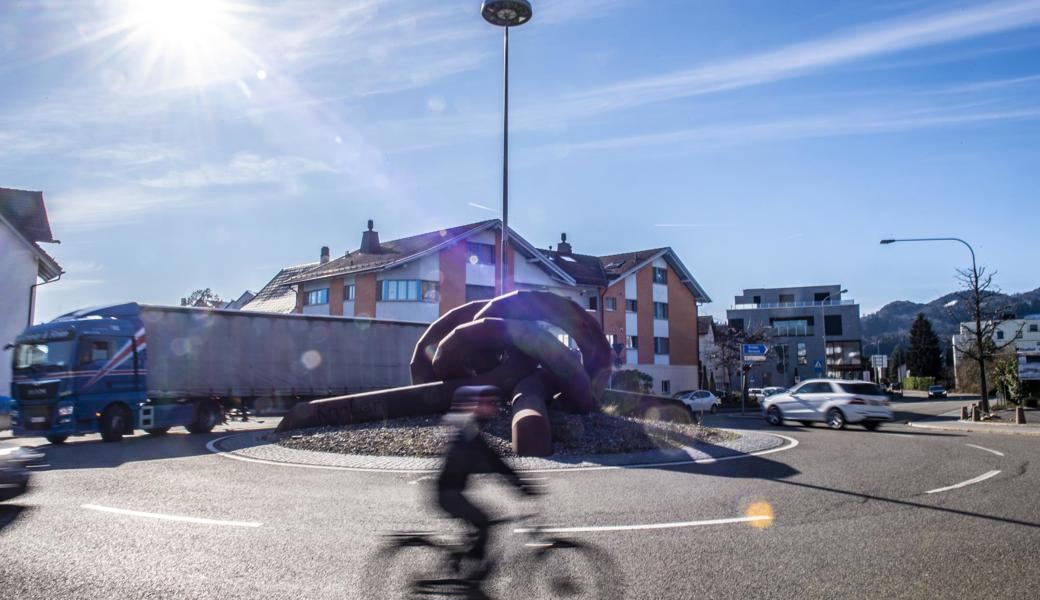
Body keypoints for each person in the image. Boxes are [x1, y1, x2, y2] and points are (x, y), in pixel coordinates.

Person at [436, 385, 537, 577]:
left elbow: (490, 458)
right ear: (478, 404)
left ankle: (465, 563)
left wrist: (516, 481)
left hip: (452, 490)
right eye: (490, 403)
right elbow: (490, 460)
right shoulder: (469, 428)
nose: (494, 407)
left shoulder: (472, 424)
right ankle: (472, 573)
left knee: (478, 527)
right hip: (448, 493)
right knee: (483, 522)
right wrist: (517, 484)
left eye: (495, 403)